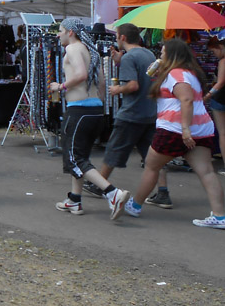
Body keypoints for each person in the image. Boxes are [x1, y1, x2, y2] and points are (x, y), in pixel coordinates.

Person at [124, 38, 225, 229]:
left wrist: (185, 130)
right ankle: (220, 216)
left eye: (162, 53)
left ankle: (134, 205)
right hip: (200, 128)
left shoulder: (176, 74)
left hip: (175, 129)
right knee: (206, 172)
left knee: (152, 166)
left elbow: (186, 100)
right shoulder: (190, 73)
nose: (160, 56)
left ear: (171, 55)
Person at [47, 18, 130, 218]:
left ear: (71, 32)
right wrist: (96, 103)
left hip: (79, 111)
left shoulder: (73, 49)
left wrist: (60, 86)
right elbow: (101, 84)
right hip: (95, 111)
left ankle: (112, 193)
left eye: (61, 31)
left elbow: (82, 75)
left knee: (74, 158)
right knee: (81, 157)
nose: (58, 35)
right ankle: (74, 200)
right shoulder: (91, 51)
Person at [86, 24, 169, 206]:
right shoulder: (147, 54)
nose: (116, 39)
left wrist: (117, 89)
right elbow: (145, 77)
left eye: (116, 35)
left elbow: (133, 85)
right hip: (149, 112)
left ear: (122, 37)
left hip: (132, 113)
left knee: (113, 150)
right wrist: (118, 60)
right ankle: (163, 192)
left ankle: (100, 184)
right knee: (153, 156)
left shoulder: (129, 58)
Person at [203, 36, 225, 178]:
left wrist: (207, 95)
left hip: (221, 99)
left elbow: (221, 82)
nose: (214, 55)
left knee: (222, 133)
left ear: (220, 47)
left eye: (214, 52)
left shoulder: (223, 60)